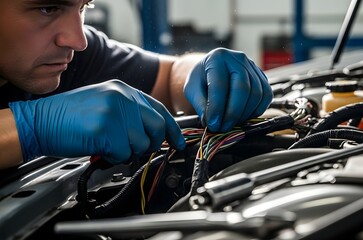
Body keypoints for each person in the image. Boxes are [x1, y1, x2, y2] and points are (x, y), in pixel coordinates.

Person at [0, 0, 273, 169]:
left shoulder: (77, 55)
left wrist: (204, 74)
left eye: (83, 7)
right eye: (48, 8)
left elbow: (168, 77)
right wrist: (30, 128)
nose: (77, 40)